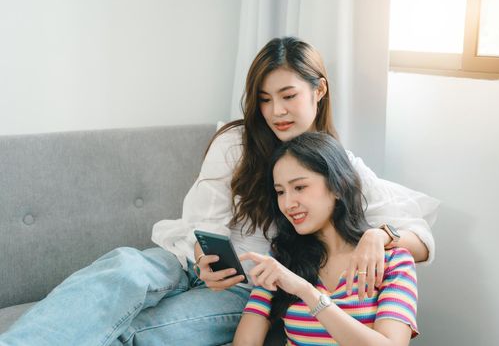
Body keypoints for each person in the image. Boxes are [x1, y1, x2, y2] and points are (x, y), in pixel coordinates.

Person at [0, 37, 437, 346]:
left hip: (246, 286)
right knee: (121, 269)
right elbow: (197, 223)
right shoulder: (236, 143)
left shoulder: (339, 163)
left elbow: (416, 227)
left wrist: (382, 235)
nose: (276, 111)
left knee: (137, 329)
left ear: (319, 90)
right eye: (264, 99)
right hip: (187, 260)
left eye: (288, 95)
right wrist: (199, 259)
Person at [234, 132, 418, 345]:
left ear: (337, 186)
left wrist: (306, 291)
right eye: (280, 192)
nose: (287, 203)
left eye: (300, 187)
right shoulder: (282, 261)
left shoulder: (394, 261)